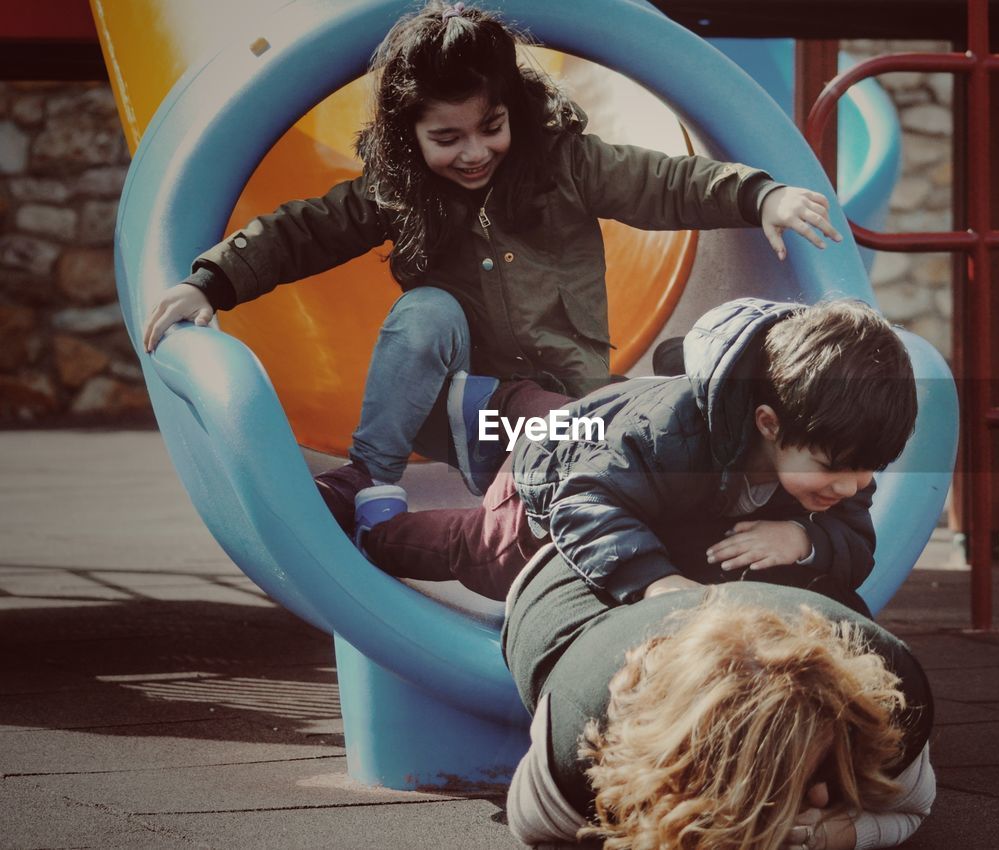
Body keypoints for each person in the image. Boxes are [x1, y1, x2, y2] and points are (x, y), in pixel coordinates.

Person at [139, 0, 841, 534]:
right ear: (408, 138)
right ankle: (370, 477)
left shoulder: (567, 163)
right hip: (456, 410)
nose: (473, 152)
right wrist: (213, 280)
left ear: (515, 112)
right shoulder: (398, 189)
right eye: (446, 138)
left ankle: (539, 511)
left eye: (491, 127)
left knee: (601, 440)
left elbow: (668, 182)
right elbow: (304, 231)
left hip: (564, 403)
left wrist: (761, 195)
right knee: (427, 310)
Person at [359, 297, 917, 611]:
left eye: (871, 469)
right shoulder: (673, 440)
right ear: (769, 423)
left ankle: (504, 403)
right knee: (477, 548)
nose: (853, 485)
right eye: (835, 469)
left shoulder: (838, 456)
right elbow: (584, 503)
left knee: (580, 415)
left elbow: (855, 545)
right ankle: (366, 525)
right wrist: (655, 580)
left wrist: (806, 541)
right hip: (549, 493)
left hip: (598, 425)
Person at [501, 549, 936, 849]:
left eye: (817, 768)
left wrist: (835, 835)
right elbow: (531, 824)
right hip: (582, 584)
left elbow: (914, 809)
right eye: (779, 786)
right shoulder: (581, 742)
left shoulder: (893, 701)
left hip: (777, 577)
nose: (822, 798)